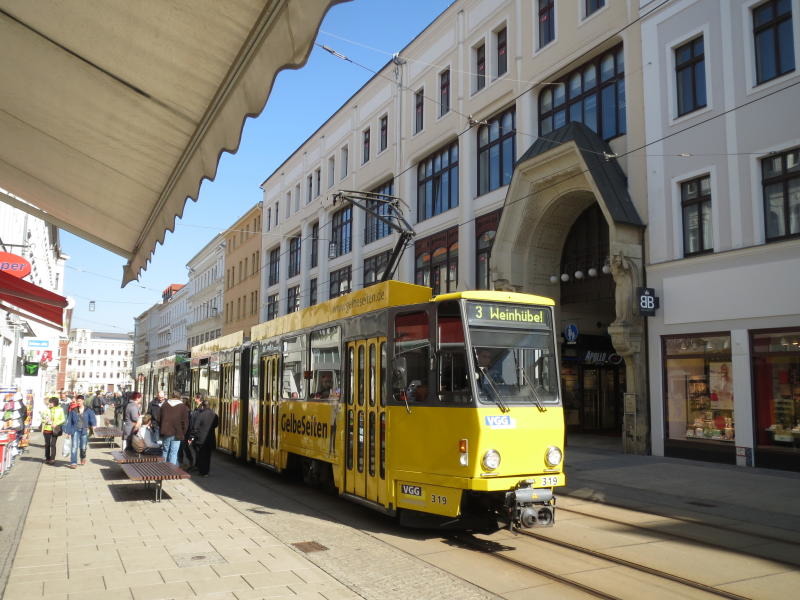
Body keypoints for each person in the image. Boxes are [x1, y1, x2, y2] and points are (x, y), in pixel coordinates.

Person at [64, 395, 97, 468]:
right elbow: (69, 421)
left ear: (83, 401)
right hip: (75, 430)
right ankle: (73, 462)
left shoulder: (88, 410)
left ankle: (82, 457)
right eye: (77, 401)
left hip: (84, 430)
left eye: (79, 401)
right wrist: (68, 432)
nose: (78, 402)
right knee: (74, 446)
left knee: (83, 447)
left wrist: (94, 426)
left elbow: (92, 418)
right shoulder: (73, 410)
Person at [159, 392, 190, 465]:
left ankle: (162, 469)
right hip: (178, 433)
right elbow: (185, 422)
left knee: (165, 451)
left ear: (171, 396)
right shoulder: (183, 407)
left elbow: (159, 419)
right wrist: (183, 432)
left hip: (166, 432)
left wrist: (162, 429)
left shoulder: (164, 405)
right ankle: (171, 471)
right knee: (174, 452)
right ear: (179, 397)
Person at [190, 400, 218, 477]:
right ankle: (206, 471)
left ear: (203, 406)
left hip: (200, 439)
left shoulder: (200, 415)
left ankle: (202, 471)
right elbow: (215, 425)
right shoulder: (214, 415)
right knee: (208, 456)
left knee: (201, 455)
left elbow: (195, 427)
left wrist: (192, 437)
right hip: (210, 439)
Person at [41, 396, 65, 465]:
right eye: (49, 402)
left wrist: (56, 423)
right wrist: (44, 420)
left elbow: (63, 419)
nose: (50, 404)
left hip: (55, 429)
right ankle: (47, 458)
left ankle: (52, 459)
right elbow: (42, 418)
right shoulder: (47, 409)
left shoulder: (60, 409)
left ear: (55, 403)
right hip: (47, 428)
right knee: (47, 444)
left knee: (53, 444)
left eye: (51, 402)